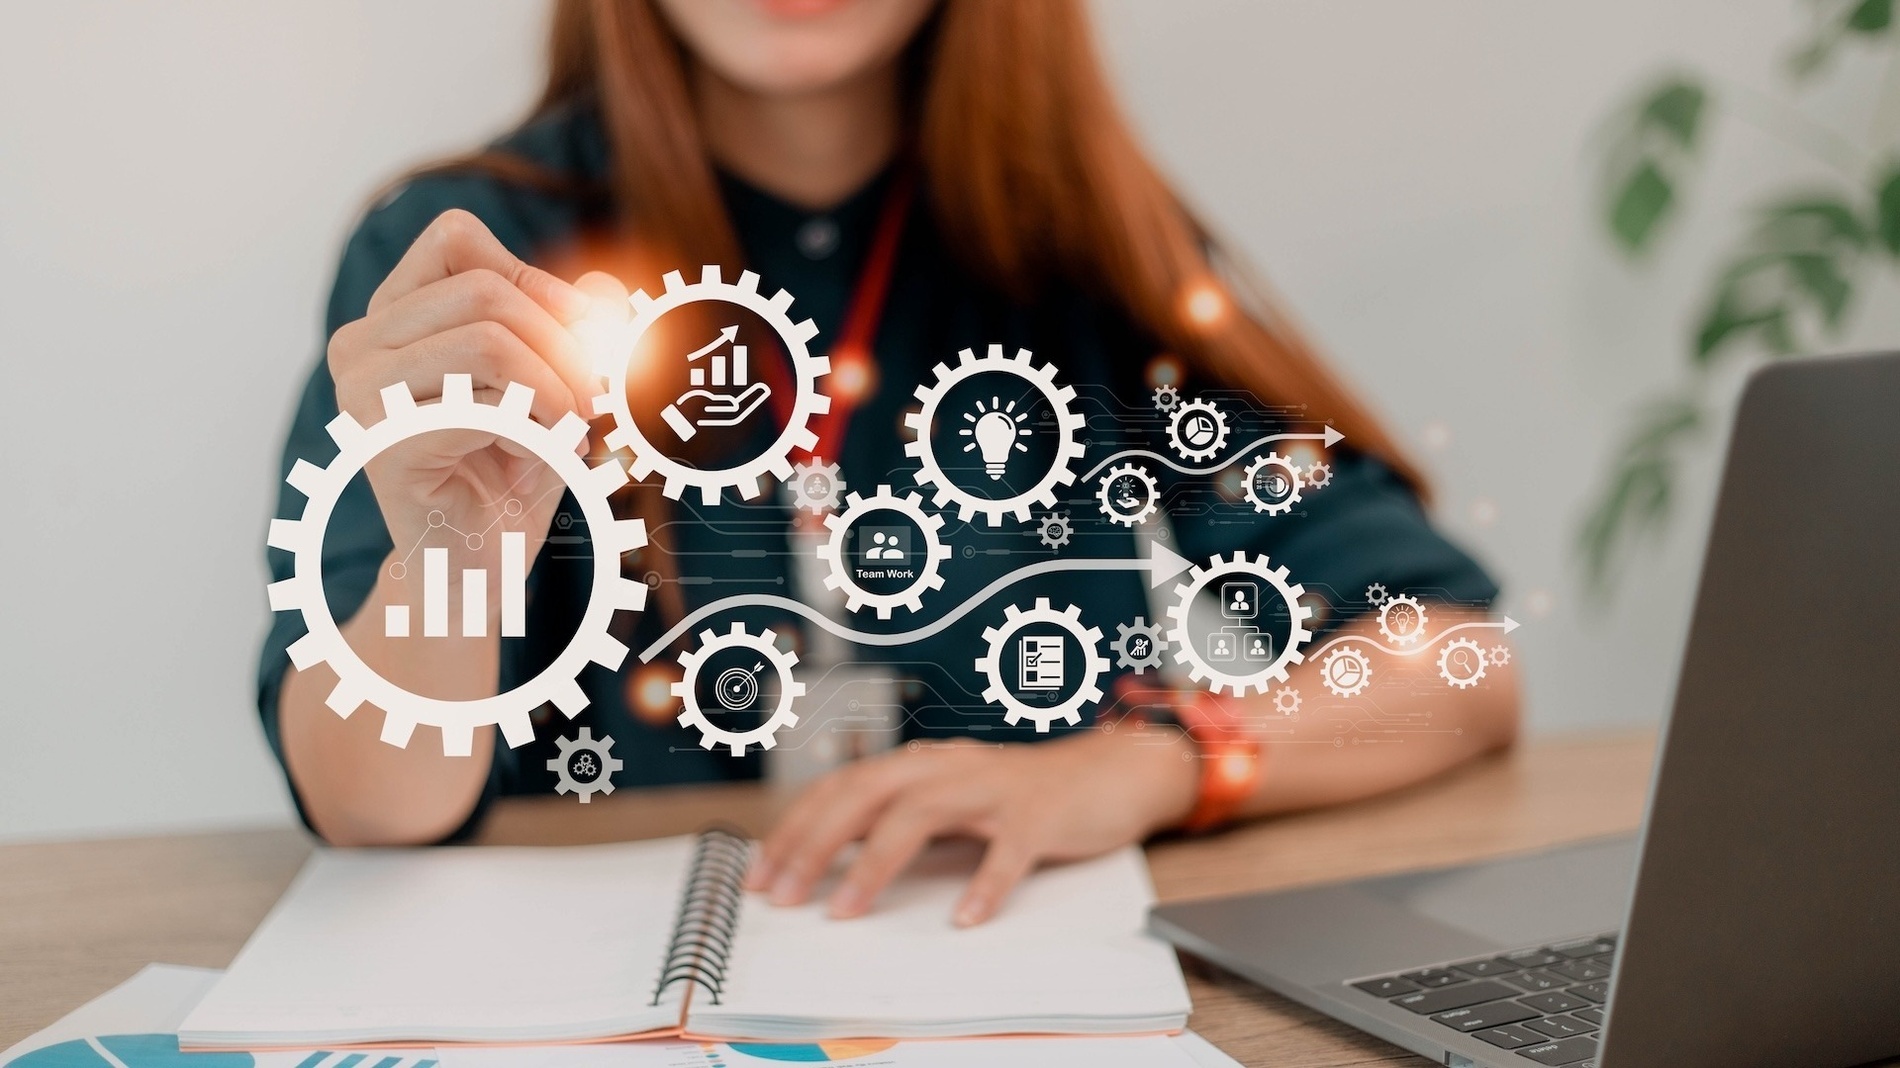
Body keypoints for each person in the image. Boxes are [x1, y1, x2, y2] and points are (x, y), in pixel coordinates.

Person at [263, 0, 1519, 929]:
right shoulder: (469, 265)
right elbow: (373, 807)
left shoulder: (1078, 242)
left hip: (996, 962)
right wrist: (457, 555)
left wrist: (1146, 767)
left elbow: (1455, 660)